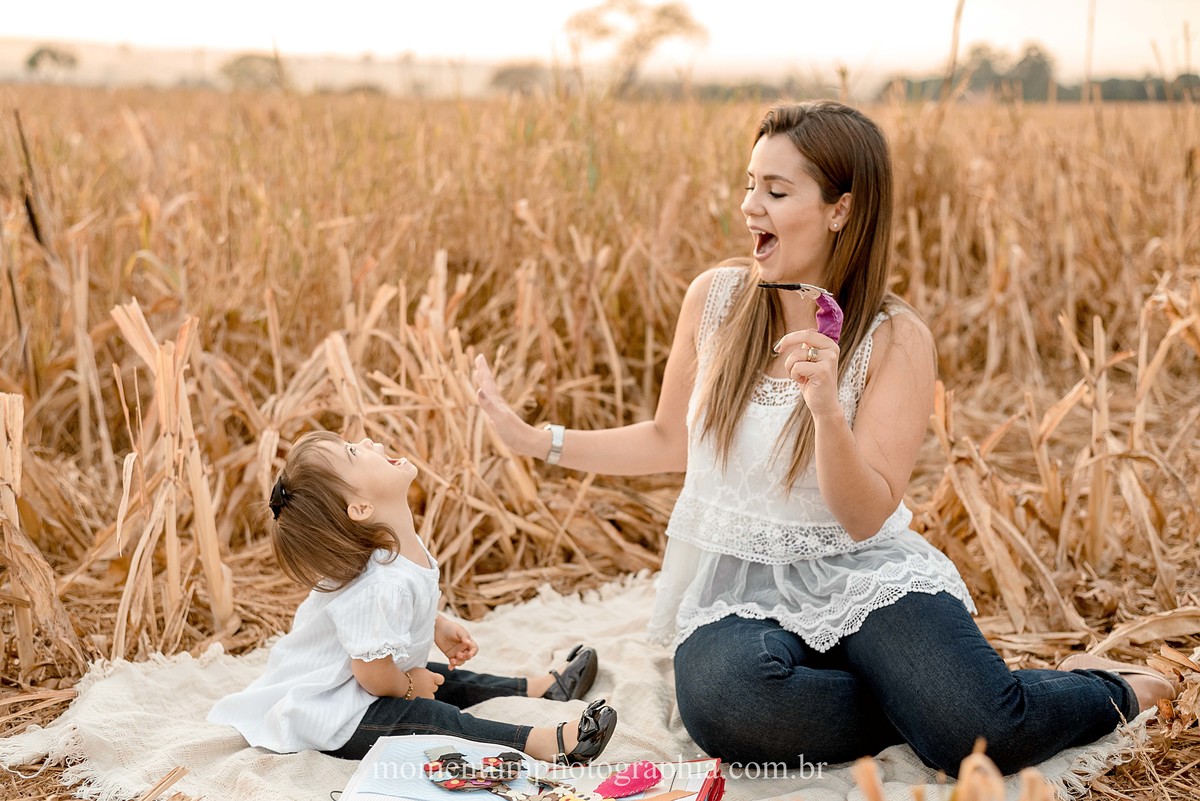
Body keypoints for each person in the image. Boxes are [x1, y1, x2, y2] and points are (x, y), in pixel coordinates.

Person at [472, 100, 1177, 776]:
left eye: (776, 191)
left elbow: (866, 514)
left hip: (861, 572)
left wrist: (825, 412)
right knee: (729, 703)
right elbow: (667, 438)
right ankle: (929, 700)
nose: (750, 207)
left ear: (841, 209)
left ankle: (1102, 690)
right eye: (750, 185)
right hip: (737, 587)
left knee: (974, 735)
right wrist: (536, 440)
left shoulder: (894, 338)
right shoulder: (716, 301)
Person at [207, 430, 617, 764]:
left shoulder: (395, 548)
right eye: (353, 451)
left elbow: (399, 612)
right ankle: (544, 742)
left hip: (361, 681)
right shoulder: (378, 584)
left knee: (440, 676)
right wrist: (406, 686)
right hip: (335, 712)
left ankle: (538, 688)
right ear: (361, 507)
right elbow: (371, 673)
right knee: (428, 714)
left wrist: (434, 624)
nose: (367, 442)